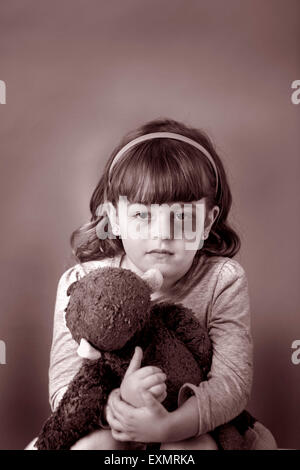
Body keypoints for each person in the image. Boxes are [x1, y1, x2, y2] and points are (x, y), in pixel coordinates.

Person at [46, 118, 277, 450]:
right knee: (92, 448)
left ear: (207, 223)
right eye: (142, 215)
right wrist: (120, 404)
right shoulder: (83, 284)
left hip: (188, 422)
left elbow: (232, 384)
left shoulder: (222, 281)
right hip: (110, 423)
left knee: (192, 450)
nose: (162, 233)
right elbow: (64, 389)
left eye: (182, 217)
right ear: (115, 219)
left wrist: (168, 427)